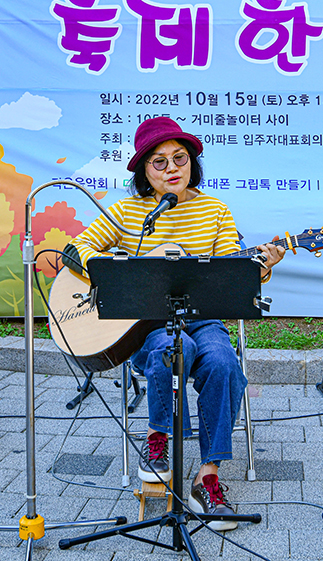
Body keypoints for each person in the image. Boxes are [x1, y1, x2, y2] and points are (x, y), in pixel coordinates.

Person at [65, 117, 285, 531]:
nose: (171, 169)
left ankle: (207, 477)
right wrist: (113, 273)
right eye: (159, 162)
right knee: (172, 347)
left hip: (203, 318)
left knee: (222, 362)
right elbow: (76, 249)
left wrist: (263, 267)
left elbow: (231, 271)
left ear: (191, 163)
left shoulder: (215, 210)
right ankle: (159, 437)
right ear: (144, 171)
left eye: (179, 159)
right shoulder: (126, 211)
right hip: (143, 326)